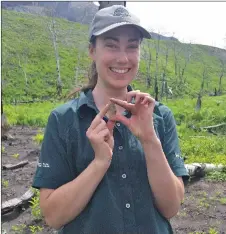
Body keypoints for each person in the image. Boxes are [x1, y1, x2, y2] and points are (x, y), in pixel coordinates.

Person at [32, 5, 189, 234]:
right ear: (92, 51)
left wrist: (149, 139)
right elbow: (53, 216)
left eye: (132, 46)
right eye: (111, 45)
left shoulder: (160, 116)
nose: (123, 57)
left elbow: (171, 207)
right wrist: (99, 163)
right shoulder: (63, 120)